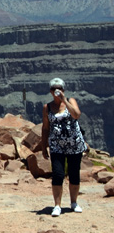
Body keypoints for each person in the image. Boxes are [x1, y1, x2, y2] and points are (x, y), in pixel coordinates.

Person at [41, 77, 88, 217]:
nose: (57, 91)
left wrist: (64, 100)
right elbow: (45, 128)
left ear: (63, 90)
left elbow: (77, 115)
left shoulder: (70, 101)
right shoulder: (47, 107)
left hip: (74, 145)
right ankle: (57, 205)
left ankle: (74, 203)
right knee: (58, 174)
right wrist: (44, 146)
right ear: (50, 91)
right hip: (57, 146)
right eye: (54, 89)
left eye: (60, 88)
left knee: (74, 173)